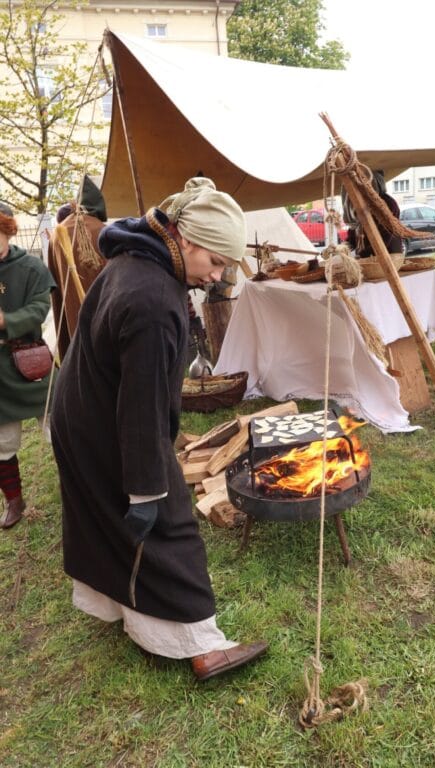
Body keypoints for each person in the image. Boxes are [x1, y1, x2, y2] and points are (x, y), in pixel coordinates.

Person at [51, 177, 268, 681]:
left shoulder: (137, 260)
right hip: (101, 422)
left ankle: (123, 611)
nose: (217, 277)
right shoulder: (154, 301)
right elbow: (143, 410)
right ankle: (200, 644)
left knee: (105, 517)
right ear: (187, 240)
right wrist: (148, 488)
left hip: (80, 412)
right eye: (215, 261)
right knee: (166, 526)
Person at [0, 202, 56, 529]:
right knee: (2, 442)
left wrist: (8, 320)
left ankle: (80, 491)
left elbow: (40, 307)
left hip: (31, 360)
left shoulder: (31, 268)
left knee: (60, 428)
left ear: (7, 230)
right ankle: (14, 502)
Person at [47, 175, 107, 361]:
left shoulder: (58, 232)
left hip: (73, 317)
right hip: (103, 316)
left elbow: (54, 283)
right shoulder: (102, 230)